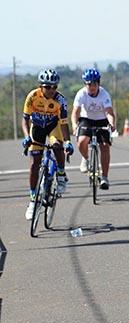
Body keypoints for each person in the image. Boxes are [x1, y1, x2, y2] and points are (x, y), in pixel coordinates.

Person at [22, 69, 74, 219]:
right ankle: (33, 200)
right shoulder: (32, 97)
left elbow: (64, 124)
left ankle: (61, 173)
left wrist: (68, 141)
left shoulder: (60, 101)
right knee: (34, 164)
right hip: (37, 127)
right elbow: (25, 119)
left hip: (53, 127)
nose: (51, 90)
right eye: (48, 86)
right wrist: (26, 136)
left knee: (57, 145)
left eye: (54, 87)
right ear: (41, 86)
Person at [71, 68, 116, 190]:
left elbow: (109, 112)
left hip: (102, 119)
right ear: (85, 84)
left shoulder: (104, 94)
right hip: (87, 119)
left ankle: (105, 177)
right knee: (82, 140)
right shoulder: (81, 94)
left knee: (105, 145)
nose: (92, 87)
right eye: (89, 84)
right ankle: (85, 158)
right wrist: (75, 125)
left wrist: (112, 123)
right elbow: (75, 112)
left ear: (98, 84)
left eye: (94, 84)